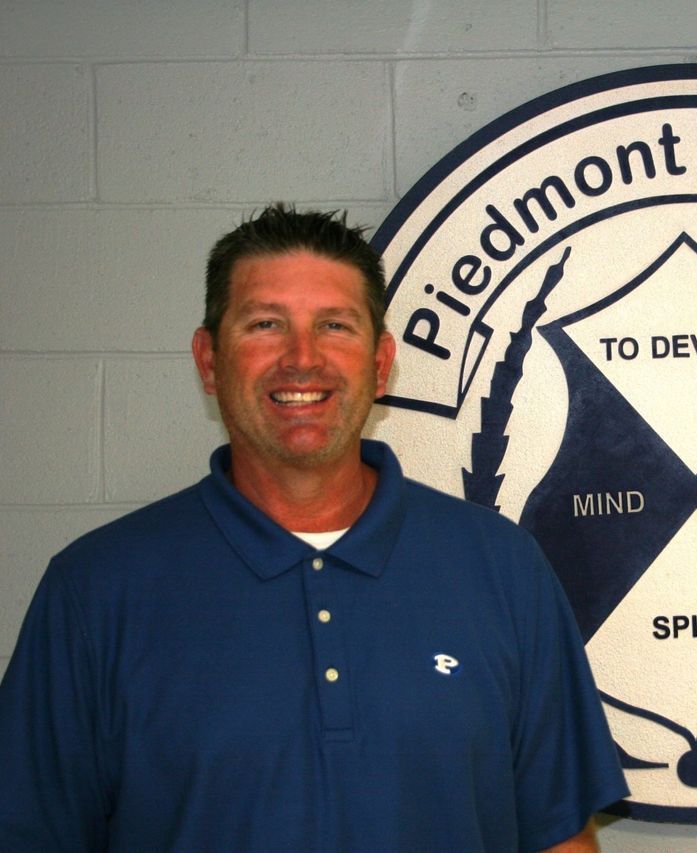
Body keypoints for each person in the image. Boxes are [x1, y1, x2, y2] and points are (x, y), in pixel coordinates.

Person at [0, 204, 628, 851]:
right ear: (209, 360)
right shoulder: (94, 593)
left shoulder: (504, 570)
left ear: (380, 364)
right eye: (265, 324)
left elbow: (560, 838)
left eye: (334, 325)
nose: (302, 359)